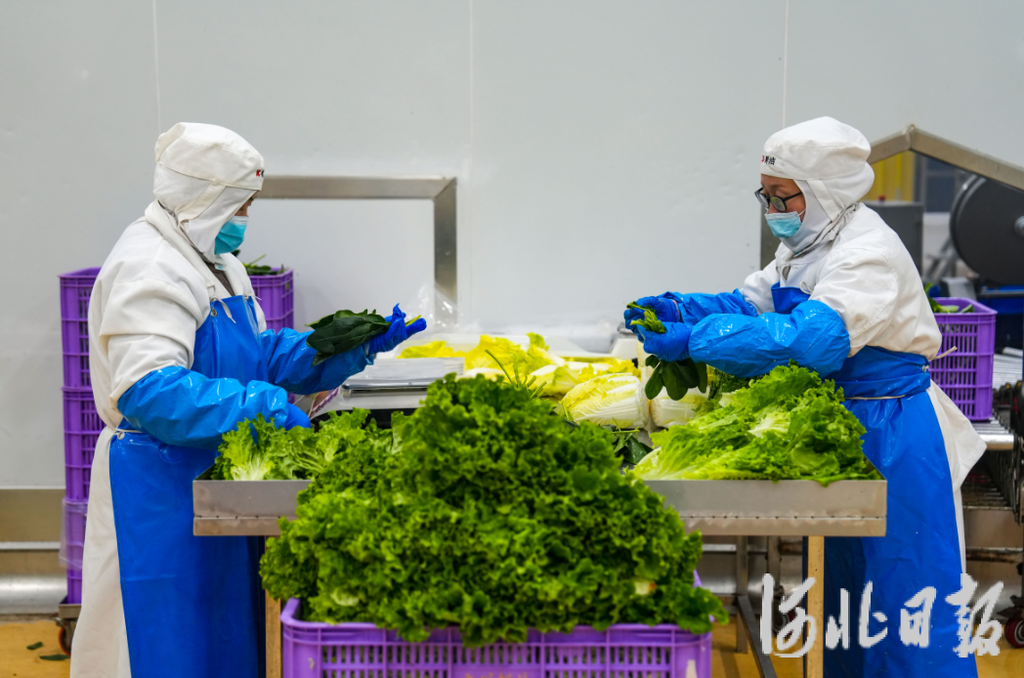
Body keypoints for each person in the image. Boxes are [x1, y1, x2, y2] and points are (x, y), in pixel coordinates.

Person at [625, 117, 984, 677]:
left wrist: (697, 338)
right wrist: (683, 308)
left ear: (823, 193)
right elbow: (751, 304)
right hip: (843, 424)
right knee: (850, 597)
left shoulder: (867, 253)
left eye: (781, 196)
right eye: (765, 196)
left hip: (892, 430)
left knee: (906, 595)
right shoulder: (807, 243)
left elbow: (812, 341)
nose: (773, 209)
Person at [71, 122, 426, 678]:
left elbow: (252, 354)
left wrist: (341, 347)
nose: (243, 218)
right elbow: (149, 390)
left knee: (224, 633)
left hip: (216, 472)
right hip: (158, 487)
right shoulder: (151, 265)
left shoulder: (218, 262)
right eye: (239, 205)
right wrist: (262, 406)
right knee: (168, 641)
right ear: (203, 198)